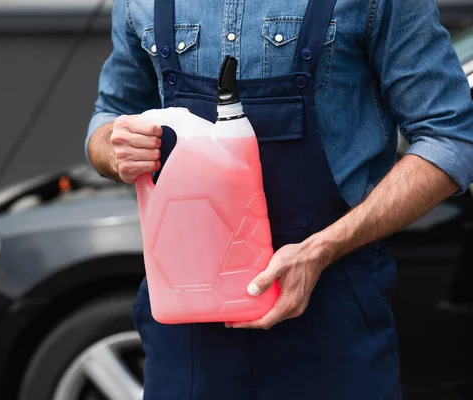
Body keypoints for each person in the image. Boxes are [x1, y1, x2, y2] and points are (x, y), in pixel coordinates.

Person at [85, 0, 473, 398]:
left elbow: (451, 137)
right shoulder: (141, 5)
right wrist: (116, 148)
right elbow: (109, 117)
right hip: (186, 343)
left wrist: (322, 249)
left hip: (333, 327)